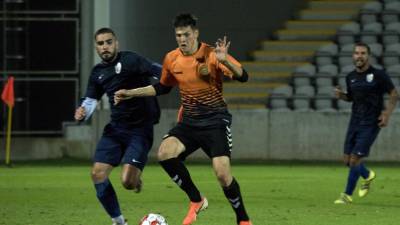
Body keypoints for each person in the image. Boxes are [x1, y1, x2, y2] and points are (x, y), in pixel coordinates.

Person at [114, 13, 253, 225]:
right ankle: (196, 200)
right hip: (189, 123)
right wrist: (131, 93)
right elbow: (163, 87)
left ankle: (243, 219)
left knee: (223, 176)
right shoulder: (171, 58)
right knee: (165, 153)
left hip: (215, 122)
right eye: (178, 35)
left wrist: (227, 61)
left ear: (195, 33)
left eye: (186, 34)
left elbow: (244, 76)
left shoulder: (213, 54)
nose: (182, 39)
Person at [74, 27, 161, 225]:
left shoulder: (132, 60)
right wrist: (82, 112)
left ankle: (135, 179)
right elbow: (89, 101)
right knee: (97, 173)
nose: (105, 47)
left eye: (108, 42)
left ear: (116, 43)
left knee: (128, 182)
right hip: (116, 130)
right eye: (100, 43)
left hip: (140, 129)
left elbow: (161, 72)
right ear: (96, 47)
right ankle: (119, 221)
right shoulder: (97, 73)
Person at [334, 42, 398, 204]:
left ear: (368, 56)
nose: (359, 56)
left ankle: (347, 195)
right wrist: (342, 95)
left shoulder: (378, 75)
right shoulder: (351, 77)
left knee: (355, 159)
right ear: (353, 56)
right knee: (347, 160)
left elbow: (394, 94)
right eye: (357, 53)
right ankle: (368, 175)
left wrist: (386, 114)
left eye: (363, 53)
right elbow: (351, 98)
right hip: (355, 120)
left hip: (371, 121)